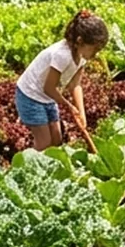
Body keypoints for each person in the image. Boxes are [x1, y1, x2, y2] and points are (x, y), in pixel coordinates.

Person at [15, 11, 109, 152]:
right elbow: (49, 88)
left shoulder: (82, 55)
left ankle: (51, 169)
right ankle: (25, 168)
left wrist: (81, 114)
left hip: (47, 97)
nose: (96, 54)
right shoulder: (62, 55)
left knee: (57, 140)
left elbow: (75, 85)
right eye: (94, 49)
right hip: (30, 95)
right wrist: (69, 106)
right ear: (79, 41)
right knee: (44, 142)